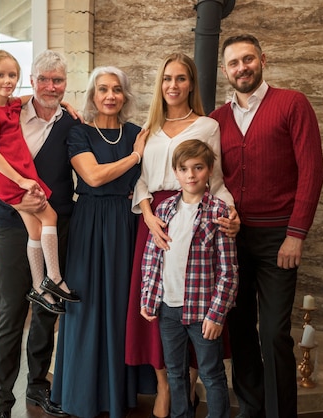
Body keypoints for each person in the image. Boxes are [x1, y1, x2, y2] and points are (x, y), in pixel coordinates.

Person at [210, 34, 323, 418]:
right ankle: (251, 407)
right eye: (233, 63)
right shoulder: (217, 120)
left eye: (248, 59)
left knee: (274, 333)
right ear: (225, 71)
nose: (242, 68)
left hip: (279, 238)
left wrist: (296, 234)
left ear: (262, 59)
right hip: (232, 239)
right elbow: (211, 179)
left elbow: (312, 171)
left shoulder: (292, 104)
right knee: (239, 329)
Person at [124, 52, 239, 418]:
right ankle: (165, 390)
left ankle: (189, 386)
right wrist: (149, 216)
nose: (173, 85)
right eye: (167, 79)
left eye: (181, 79)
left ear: (191, 84)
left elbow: (215, 180)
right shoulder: (149, 129)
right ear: (160, 84)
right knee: (161, 306)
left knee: (194, 299)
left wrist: (232, 213)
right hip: (155, 218)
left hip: (195, 212)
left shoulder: (207, 126)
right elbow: (140, 180)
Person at [0, 50, 80, 418]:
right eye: (44, 79)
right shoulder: (9, 113)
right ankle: (1, 401)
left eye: (58, 81)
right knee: (11, 313)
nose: (51, 87)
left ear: (65, 85)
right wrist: (20, 199)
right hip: (10, 223)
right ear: (31, 81)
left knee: (47, 311)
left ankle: (38, 386)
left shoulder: (73, 124)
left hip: (56, 224)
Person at [50, 66, 147, 418]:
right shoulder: (79, 133)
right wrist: (135, 156)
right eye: (102, 89)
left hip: (126, 221)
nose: (110, 96)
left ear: (125, 95)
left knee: (121, 304)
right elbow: (91, 175)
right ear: (92, 94)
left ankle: (119, 393)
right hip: (89, 222)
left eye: (117, 89)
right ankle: (82, 393)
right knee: (86, 305)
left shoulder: (138, 131)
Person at [140, 139, 238, 418]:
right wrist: (148, 298)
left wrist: (217, 314)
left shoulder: (218, 212)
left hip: (203, 312)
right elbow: (151, 258)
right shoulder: (164, 210)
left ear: (209, 171)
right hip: (168, 308)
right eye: (184, 169)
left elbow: (228, 271)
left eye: (198, 168)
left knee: (211, 374)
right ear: (176, 172)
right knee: (176, 373)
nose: (191, 175)